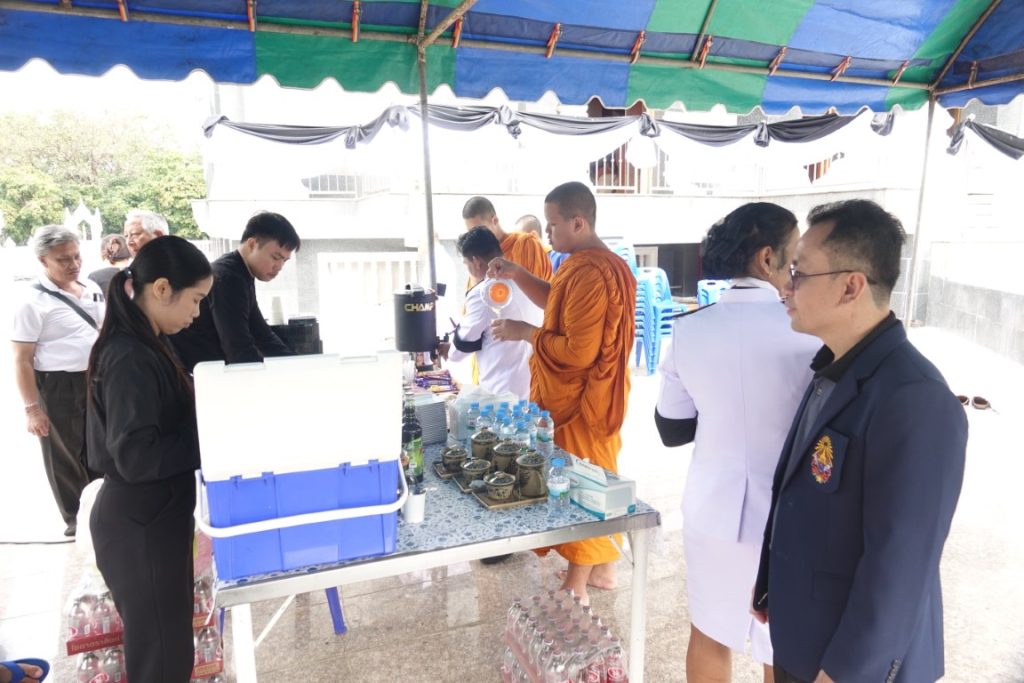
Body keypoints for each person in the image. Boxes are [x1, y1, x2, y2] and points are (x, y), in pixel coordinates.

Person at [752, 200, 968, 683]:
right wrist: (769, 584)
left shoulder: (914, 397)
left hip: (850, 663)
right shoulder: (836, 365)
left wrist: (846, 672)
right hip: (804, 637)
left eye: (799, 274)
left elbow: (901, 565)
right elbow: (798, 494)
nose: (785, 287)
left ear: (851, 286)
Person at [655, 203, 819, 682]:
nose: (799, 268)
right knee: (783, 646)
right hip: (787, 515)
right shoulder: (810, 333)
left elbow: (671, 428)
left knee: (709, 631)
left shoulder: (690, 329)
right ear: (768, 258)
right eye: (795, 256)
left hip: (711, 509)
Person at [490, 181, 635, 604]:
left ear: (578, 222)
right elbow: (558, 302)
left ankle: (577, 585)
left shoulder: (592, 270)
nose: (548, 233)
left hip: (583, 398)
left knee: (583, 482)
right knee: (595, 475)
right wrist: (518, 274)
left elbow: (577, 352)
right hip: (590, 393)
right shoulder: (587, 265)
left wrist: (527, 333)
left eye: (552, 225)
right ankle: (603, 568)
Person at [88, 235, 213, 682]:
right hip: (139, 525)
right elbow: (137, 456)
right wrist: (210, 437)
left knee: (168, 647)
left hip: (155, 517)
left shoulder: (150, 341)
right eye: (195, 299)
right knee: (160, 657)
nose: (197, 312)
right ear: (162, 288)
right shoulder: (129, 356)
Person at [11, 225, 105, 536]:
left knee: (98, 446)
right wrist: (32, 409)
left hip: (95, 379)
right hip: (57, 385)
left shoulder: (90, 287)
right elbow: (22, 359)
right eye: (63, 259)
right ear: (43, 260)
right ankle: (76, 518)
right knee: (64, 453)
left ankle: (102, 509)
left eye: (76, 256)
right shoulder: (32, 302)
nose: (73, 264)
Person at [170, 211, 299, 371]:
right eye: (275, 257)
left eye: (284, 261)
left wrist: (297, 366)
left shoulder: (242, 273)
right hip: (198, 373)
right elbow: (238, 348)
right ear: (252, 244)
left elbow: (262, 333)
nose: (279, 267)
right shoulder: (228, 277)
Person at [442, 226, 542, 400]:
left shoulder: (484, 293)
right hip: (535, 386)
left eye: (466, 264)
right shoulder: (527, 282)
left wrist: (449, 351)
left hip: (502, 392)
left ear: (476, 261)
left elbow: (464, 343)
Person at [464, 197, 552, 282]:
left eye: (480, 230)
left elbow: (540, 287)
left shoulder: (526, 244)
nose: (476, 237)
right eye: (471, 232)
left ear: (495, 220)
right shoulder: (477, 260)